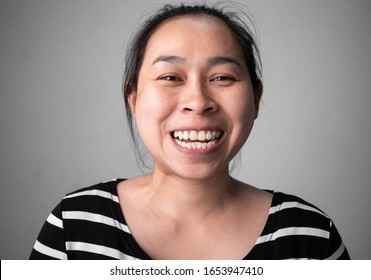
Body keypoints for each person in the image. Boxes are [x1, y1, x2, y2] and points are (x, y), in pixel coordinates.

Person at [30, 3, 350, 260]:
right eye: (170, 77)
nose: (197, 102)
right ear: (134, 98)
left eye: (222, 77)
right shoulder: (73, 227)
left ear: (255, 98)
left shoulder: (309, 236)